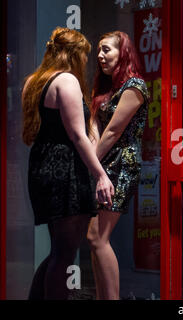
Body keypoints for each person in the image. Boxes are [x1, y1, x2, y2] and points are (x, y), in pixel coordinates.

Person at [22, 27, 114, 300]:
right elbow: (77, 135)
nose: (87, 60)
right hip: (66, 170)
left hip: (42, 166)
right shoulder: (67, 81)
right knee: (64, 254)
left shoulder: (34, 82)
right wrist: (101, 175)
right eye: (84, 55)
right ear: (73, 54)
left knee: (58, 251)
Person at [88, 31, 150, 300]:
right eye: (99, 51)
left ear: (122, 53)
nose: (100, 56)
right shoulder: (106, 88)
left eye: (106, 50)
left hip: (121, 163)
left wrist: (89, 161)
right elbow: (94, 125)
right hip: (102, 161)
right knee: (94, 240)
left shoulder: (134, 86)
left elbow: (113, 132)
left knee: (97, 238)